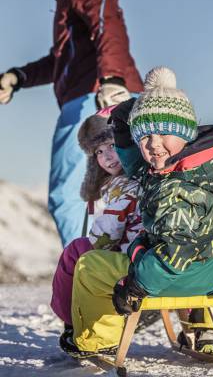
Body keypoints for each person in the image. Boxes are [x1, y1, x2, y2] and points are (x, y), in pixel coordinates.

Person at [63, 67, 213, 357]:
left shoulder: (174, 191)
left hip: (180, 275)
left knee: (90, 265)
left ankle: (95, 341)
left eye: (164, 133)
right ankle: (202, 328)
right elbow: (135, 163)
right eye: (144, 137)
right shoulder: (202, 165)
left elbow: (174, 255)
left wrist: (135, 286)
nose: (153, 145)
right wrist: (128, 113)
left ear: (184, 132)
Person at [0, 0, 144, 247]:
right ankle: (124, 270)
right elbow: (62, 60)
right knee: (125, 185)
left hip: (93, 96)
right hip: (97, 91)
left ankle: (81, 275)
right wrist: (18, 77)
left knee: (68, 195)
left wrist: (111, 77)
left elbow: (107, 27)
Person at [51, 108, 142, 344]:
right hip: (138, 250)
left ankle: (73, 319)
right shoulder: (129, 180)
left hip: (129, 255)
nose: (108, 156)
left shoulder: (125, 185)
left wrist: (92, 241)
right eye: (99, 152)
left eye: (112, 145)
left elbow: (106, 234)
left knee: (75, 252)